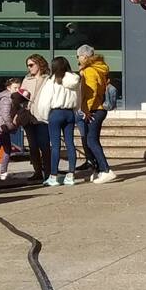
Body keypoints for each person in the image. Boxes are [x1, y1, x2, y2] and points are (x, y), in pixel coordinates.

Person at [39, 56, 81, 187]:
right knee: (70, 144)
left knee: (56, 146)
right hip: (69, 113)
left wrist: (44, 116)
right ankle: (71, 175)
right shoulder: (75, 80)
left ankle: (53, 176)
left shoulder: (51, 81)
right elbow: (78, 98)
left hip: (56, 113)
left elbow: (45, 101)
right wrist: (75, 110)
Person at [77, 44, 116, 184]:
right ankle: (99, 170)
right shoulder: (100, 69)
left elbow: (91, 92)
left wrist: (86, 110)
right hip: (100, 109)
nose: (77, 59)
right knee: (92, 140)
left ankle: (105, 170)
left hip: (94, 109)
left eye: (78, 56)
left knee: (91, 141)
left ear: (85, 57)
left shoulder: (89, 71)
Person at [21, 54, 51, 183]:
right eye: (28, 65)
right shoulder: (27, 80)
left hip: (42, 116)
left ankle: (49, 172)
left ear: (39, 64)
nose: (29, 68)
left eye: (31, 65)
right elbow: (20, 96)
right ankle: (37, 171)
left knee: (44, 145)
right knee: (32, 146)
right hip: (29, 116)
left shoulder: (48, 79)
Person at [0, 79, 26, 182]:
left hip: (0, 126)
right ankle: (3, 172)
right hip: (2, 127)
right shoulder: (7, 99)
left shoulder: (12, 98)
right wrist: (11, 126)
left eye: (19, 88)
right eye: (15, 88)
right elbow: (6, 115)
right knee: (7, 150)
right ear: (8, 88)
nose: (17, 90)